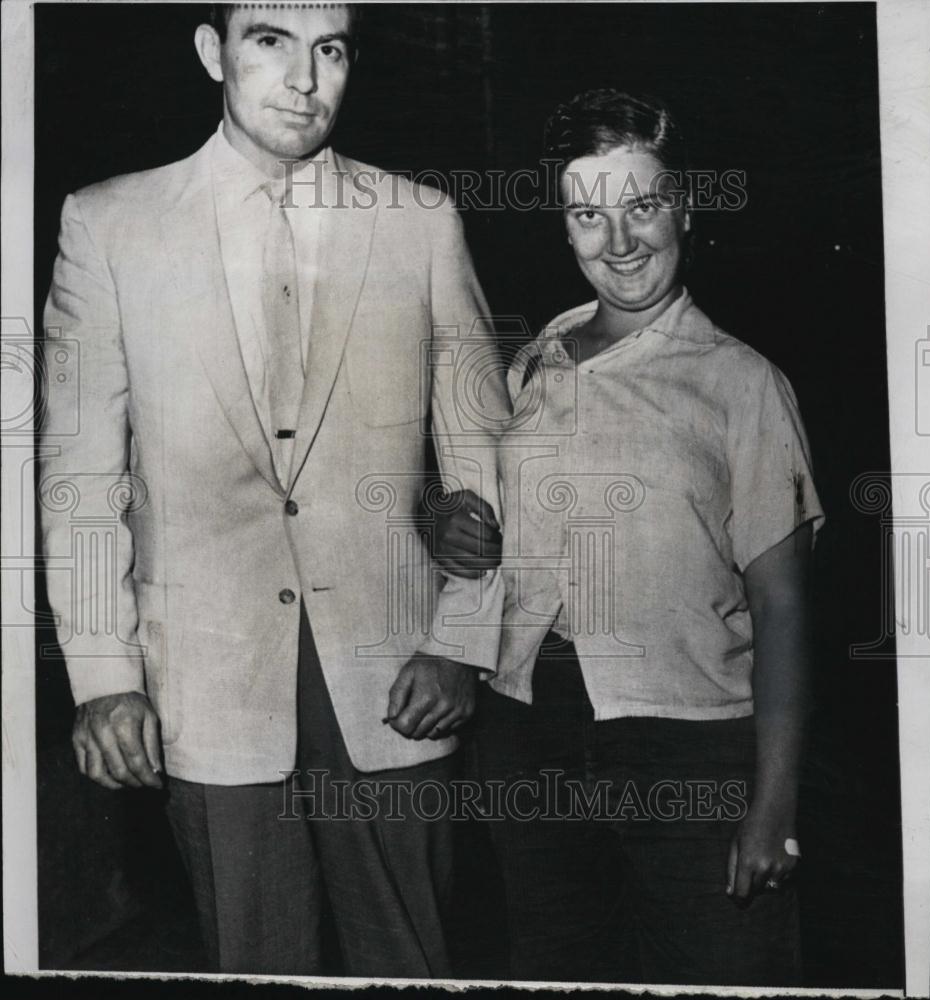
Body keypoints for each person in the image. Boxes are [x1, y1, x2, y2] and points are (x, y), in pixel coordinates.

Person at [39, 2, 509, 977]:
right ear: (213, 51)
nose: (304, 77)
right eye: (270, 40)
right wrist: (103, 675)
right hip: (205, 683)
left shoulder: (419, 221)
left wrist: (461, 639)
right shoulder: (107, 223)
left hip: (396, 683)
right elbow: (81, 476)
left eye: (329, 48)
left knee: (409, 963)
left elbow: (483, 456)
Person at [434, 89, 824, 986]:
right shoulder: (531, 362)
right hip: (529, 724)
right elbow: (483, 516)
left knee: (721, 968)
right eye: (588, 215)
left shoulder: (743, 383)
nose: (619, 242)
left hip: (688, 741)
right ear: (564, 228)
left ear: (684, 205)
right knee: (558, 965)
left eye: (642, 206)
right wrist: (453, 528)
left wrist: (774, 806)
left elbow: (786, 609)